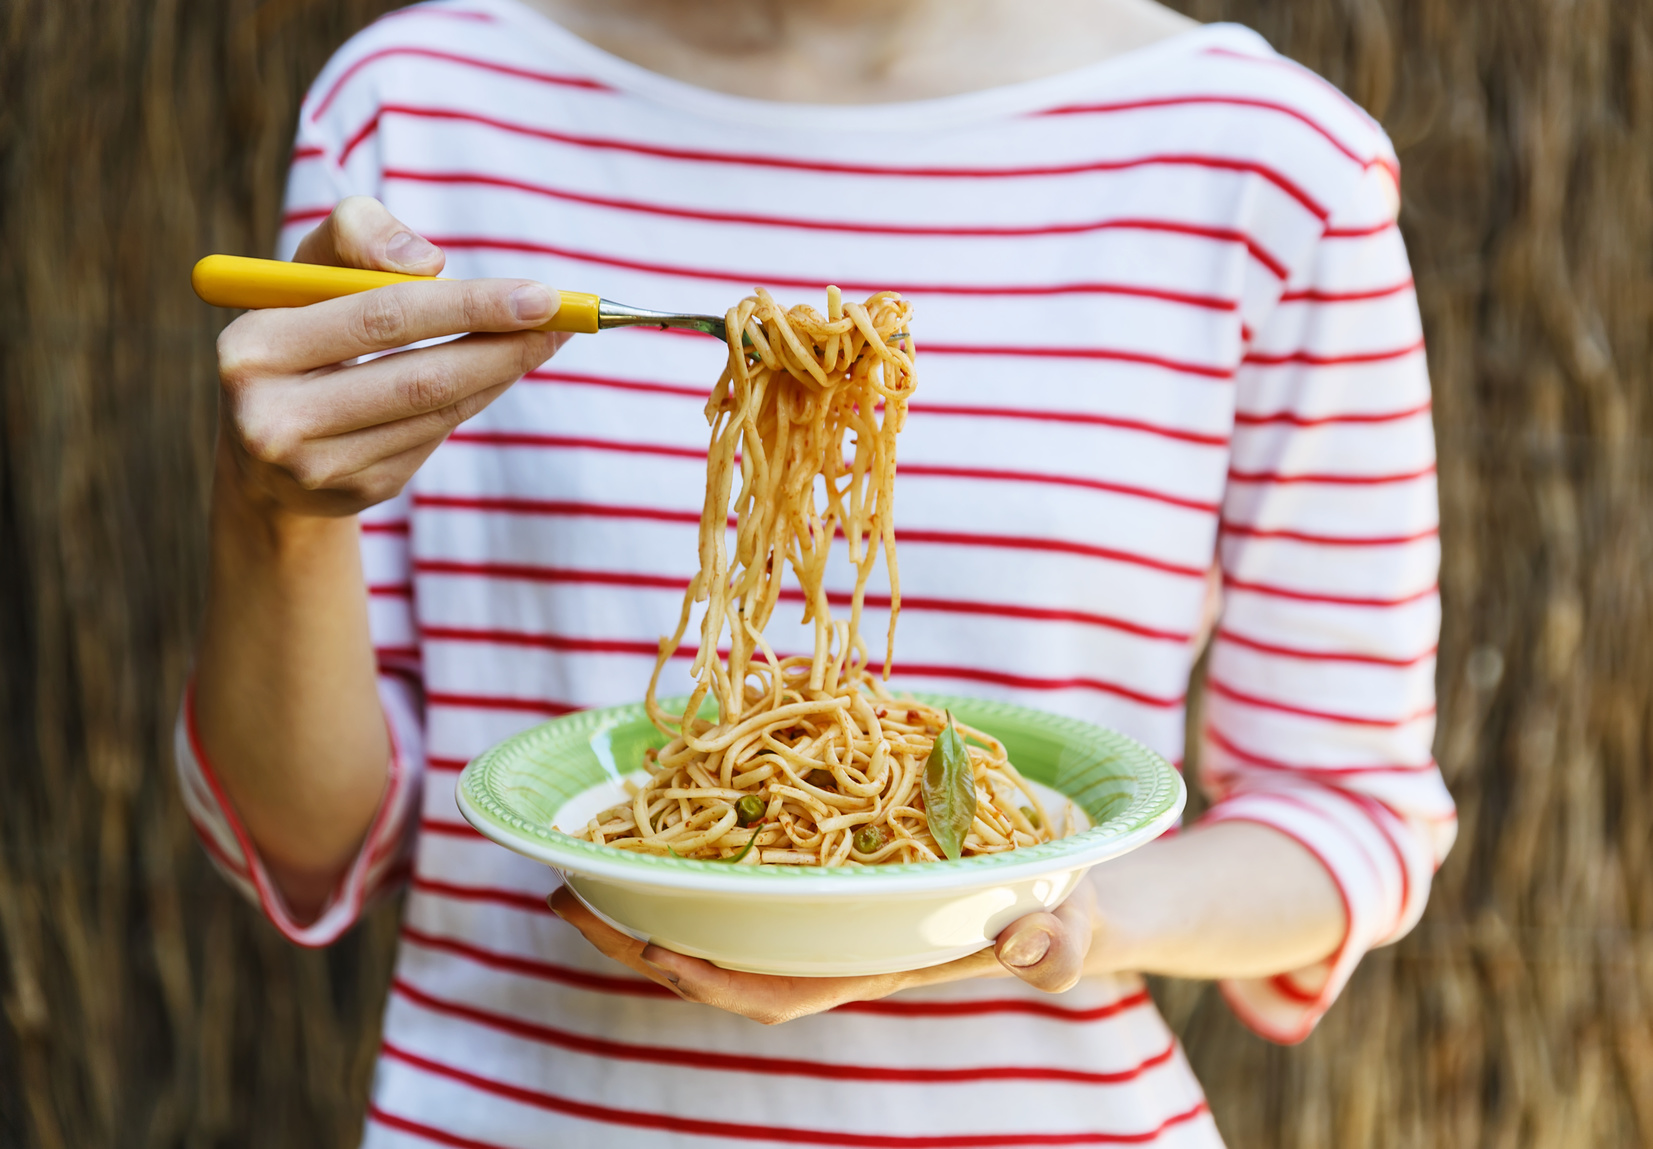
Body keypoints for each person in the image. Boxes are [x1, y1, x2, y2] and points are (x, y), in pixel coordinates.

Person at [178, 0, 1458, 1144]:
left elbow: (1349, 812)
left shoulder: (1269, 163)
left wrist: (1062, 919)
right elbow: (311, 834)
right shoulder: (415, 103)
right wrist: (274, 520)